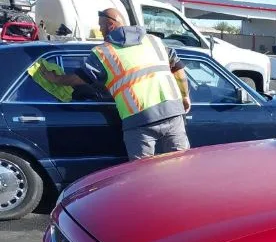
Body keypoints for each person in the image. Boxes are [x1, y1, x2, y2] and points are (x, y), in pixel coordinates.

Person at [42, 8, 192, 160]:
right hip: (173, 112)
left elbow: (79, 78)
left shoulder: (103, 52)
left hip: (139, 119)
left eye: (101, 26)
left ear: (110, 25)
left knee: (141, 173)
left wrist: (56, 79)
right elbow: (179, 70)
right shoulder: (154, 41)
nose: (100, 30)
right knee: (178, 167)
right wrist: (185, 96)